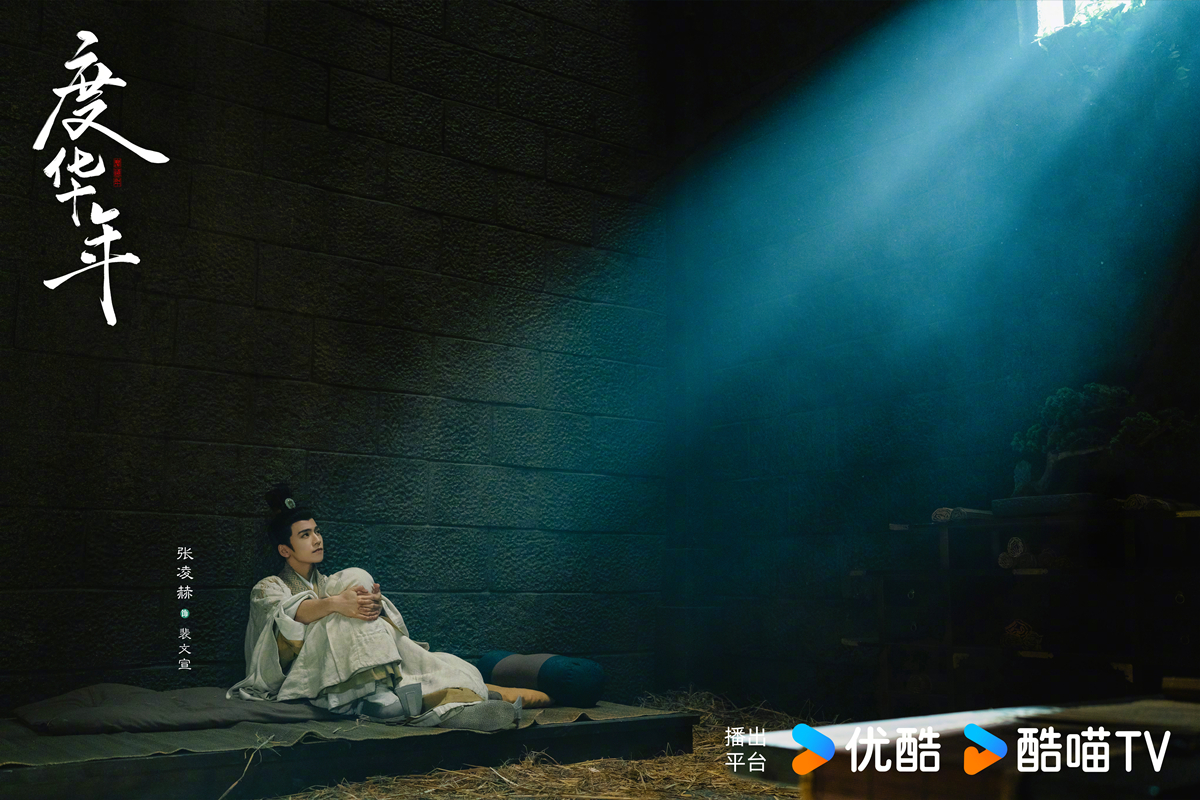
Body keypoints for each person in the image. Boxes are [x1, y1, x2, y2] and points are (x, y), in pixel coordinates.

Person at [226, 484, 507, 728]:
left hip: (350, 664)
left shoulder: (330, 583)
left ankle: (455, 699)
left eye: (317, 531)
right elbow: (288, 617)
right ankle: (384, 697)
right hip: (303, 675)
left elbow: (351, 604)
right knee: (346, 607)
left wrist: (371, 604)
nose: (317, 539)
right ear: (284, 550)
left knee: (359, 581)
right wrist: (338, 604)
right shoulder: (268, 587)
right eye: (305, 535)